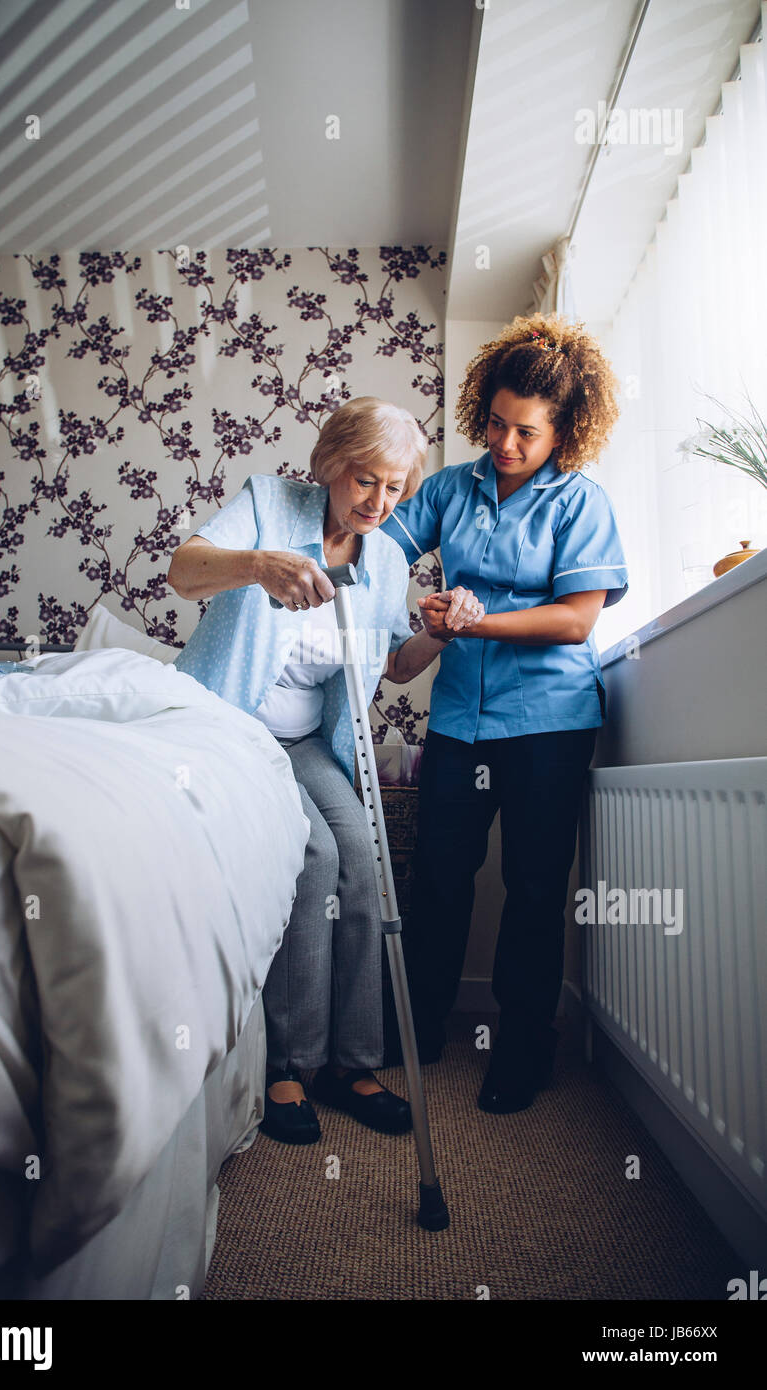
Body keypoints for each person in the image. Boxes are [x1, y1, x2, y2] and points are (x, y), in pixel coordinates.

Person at [167, 397, 453, 1144]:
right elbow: (183, 572)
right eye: (365, 481)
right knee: (314, 856)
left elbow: (389, 666)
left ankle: (350, 1063)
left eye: (395, 489)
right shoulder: (269, 505)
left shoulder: (387, 559)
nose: (378, 502)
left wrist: (437, 636)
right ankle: (289, 1062)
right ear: (331, 466)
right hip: (231, 728)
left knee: (362, 853)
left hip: (304, 746)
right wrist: (260, 565)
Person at [380, 312, 629, 1114]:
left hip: (551, 723)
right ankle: (418, 1028)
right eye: (495, 422)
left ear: (565, 430)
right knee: (443, 879)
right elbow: (382, 546)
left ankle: (524, 1049)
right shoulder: (451, 488)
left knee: (532, 888)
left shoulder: (580, 502)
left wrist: (473, 621)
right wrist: (410, 614)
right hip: (460, 721)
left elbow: (576, 620)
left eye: (526, 431)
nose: (506, 443)